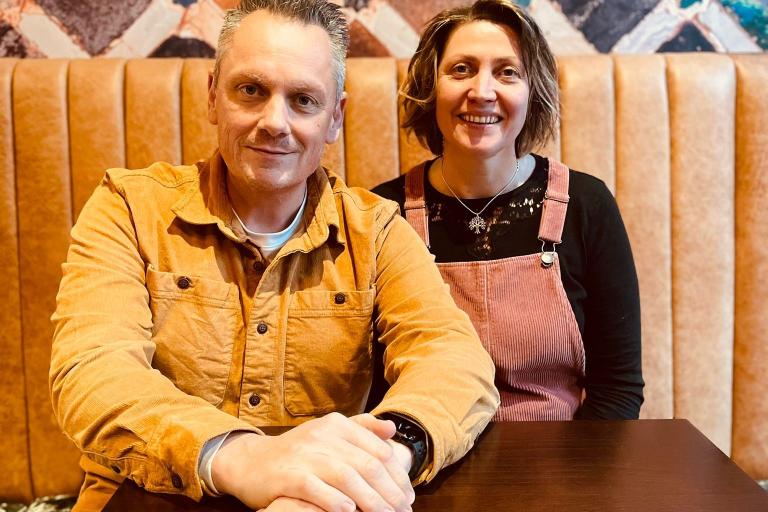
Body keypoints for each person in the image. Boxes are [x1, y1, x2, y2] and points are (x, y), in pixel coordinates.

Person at [49, 1, 499, 511]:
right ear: (213, 95)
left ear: (335, 118)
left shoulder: (375, 231)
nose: (274, 122)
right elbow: (92, 372)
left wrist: (386, 459)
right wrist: (246, 457)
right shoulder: (129, 207)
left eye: (304, 100)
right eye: (251, 91)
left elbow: (454, 360)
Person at [373, 0, 643, 422]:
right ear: (431, 86)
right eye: (461, 69)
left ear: (533, 93)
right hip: (428, 468)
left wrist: (575, 483)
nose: (482, 92)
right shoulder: (383, 214)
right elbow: (372, 390)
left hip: (564, 467)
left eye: (507, 72)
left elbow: (618, 390)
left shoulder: (586, 205)